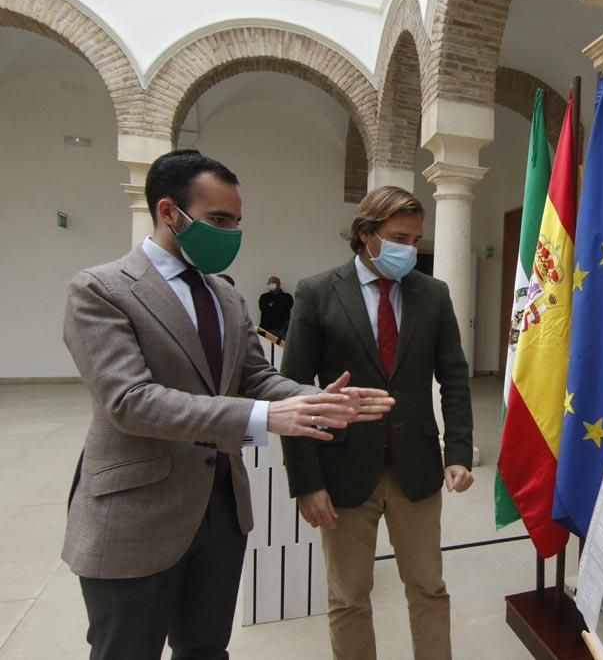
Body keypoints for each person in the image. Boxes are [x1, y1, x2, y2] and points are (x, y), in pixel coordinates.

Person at [61, 149, 394, 660]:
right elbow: (129, 400)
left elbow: (254, 377)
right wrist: (263, 419)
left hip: (220, 510)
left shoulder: (225, 295)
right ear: (169, 211)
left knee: (206, 649)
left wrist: (316, 400)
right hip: (137, 511)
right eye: (218, 220)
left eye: (237, 222)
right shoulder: (101, 290)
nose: (231, 234)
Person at [280, 186, 474, 660]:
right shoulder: (316, 293)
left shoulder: (433, 294)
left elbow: (453, 376)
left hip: (417, 469)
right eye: (398, 238)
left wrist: (460, 453)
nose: (408, 249)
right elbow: (293, 394)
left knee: (428, 586)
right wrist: (306, 481)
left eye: (415, 240)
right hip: (343, 470)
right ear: (365, 235)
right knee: (348, 596)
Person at [258, 275, 293, 339]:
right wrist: (279, 308)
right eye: (269, 282)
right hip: (265, 330)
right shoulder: (264, 297)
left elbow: (286, 307)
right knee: (264, 348)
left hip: (282, 330)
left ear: (279, 284)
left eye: (273, 282)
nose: (271, 284)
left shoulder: (287, 297)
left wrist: (272, 306)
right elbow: (264, 309)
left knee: (282, 348)